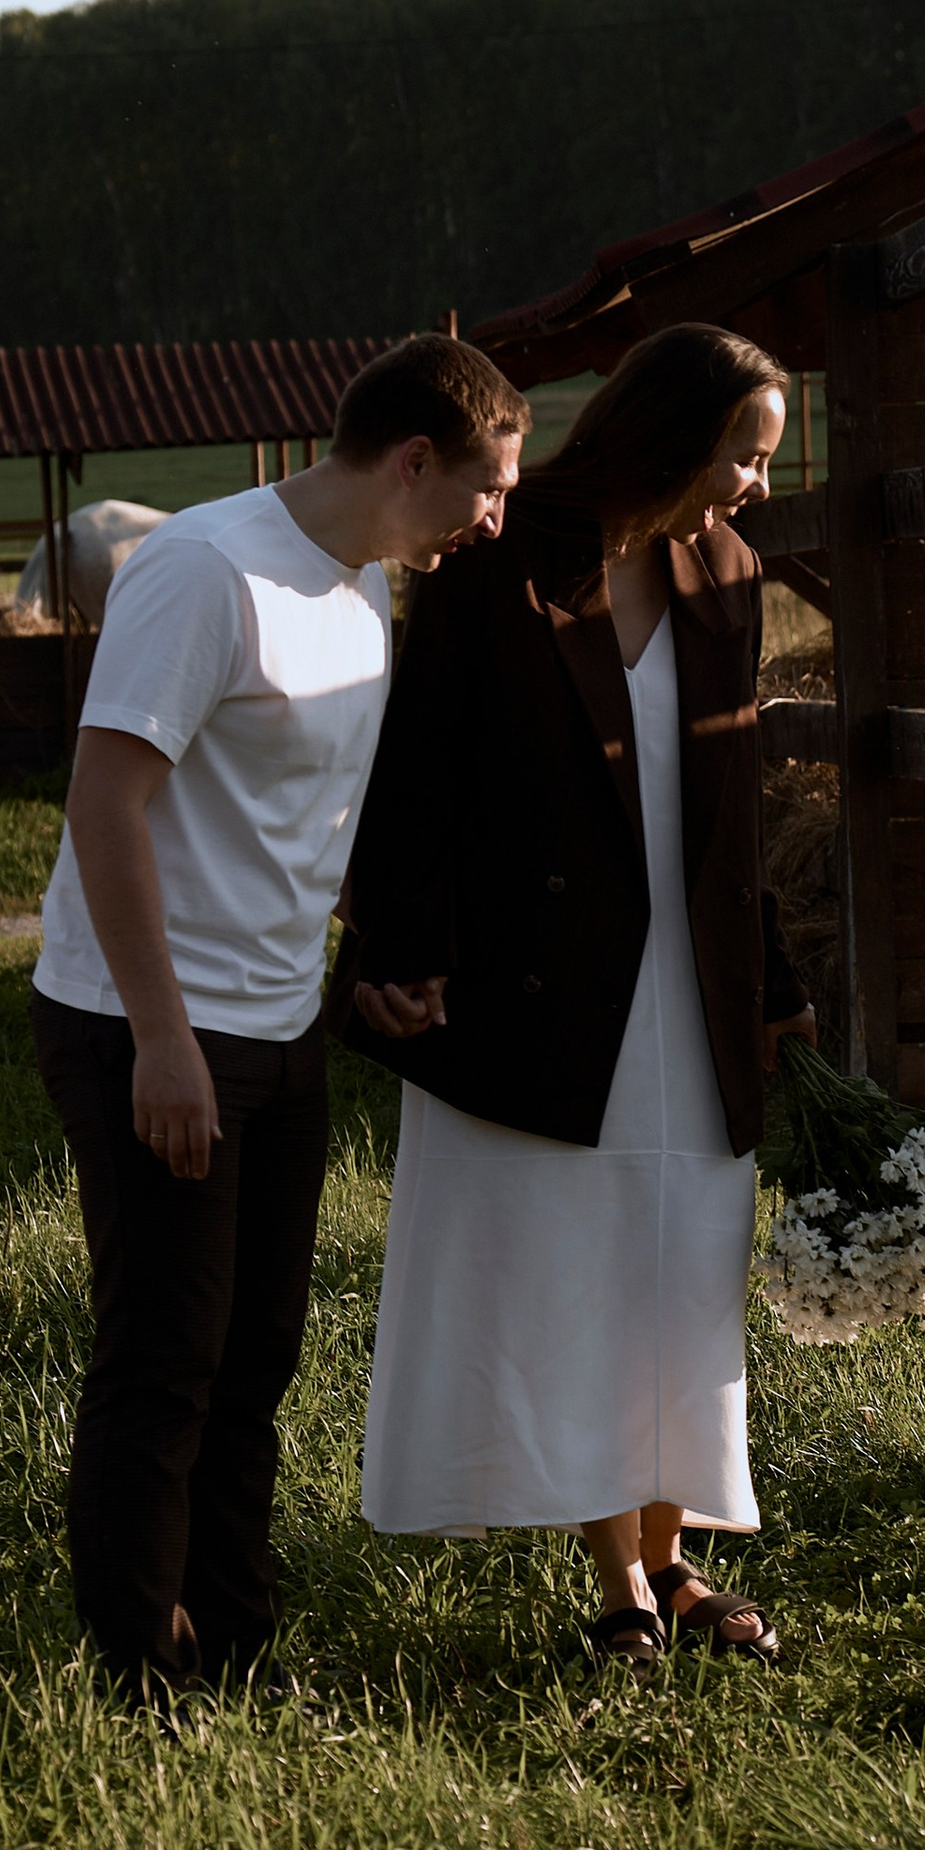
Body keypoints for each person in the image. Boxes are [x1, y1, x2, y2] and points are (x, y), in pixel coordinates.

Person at [30, 335, 529, 1699]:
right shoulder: (205, 571)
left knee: (257, 1359)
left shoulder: (366, 591)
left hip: (281, 1024)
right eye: (490, 487)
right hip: (152, 1025)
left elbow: (304, 818)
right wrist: (163, 1039)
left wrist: (365, 959)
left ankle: (236, 1651)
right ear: (416, 460)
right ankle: (142, 1678)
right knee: (166, 1361)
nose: (496, 517)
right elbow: (104, 806)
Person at [341, 321, 814, 1669]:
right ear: (674, 437)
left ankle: (674, 1565)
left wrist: (776, 980)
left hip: (694, 981)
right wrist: (399, 947)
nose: (757, 487)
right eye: (745, 455)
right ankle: (620, 1579)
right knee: (579, 1267)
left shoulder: (728, 569)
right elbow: (419, 764)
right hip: (546, 983)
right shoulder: (504, 561)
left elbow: (741, 802)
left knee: (680, 1275)